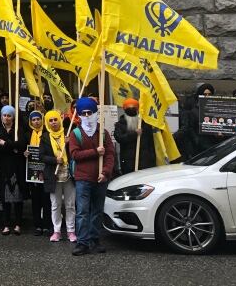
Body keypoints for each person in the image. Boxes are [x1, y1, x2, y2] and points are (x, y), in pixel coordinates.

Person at [69, 97, 115, 256]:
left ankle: (94, 239)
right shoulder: (76, 133)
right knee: (82, 212)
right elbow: (75, 154)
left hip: (100, 179)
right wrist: (95, 151)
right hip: (83, 179)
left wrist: (106, 172)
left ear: (95, 113)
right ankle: (82, 242)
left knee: (97, 211)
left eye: (90, 112)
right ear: (79, 115)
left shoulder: (103, 133)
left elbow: (110, 155)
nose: (87, 116)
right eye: (84, 113)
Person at [41, 110, 76, 243]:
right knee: (55, 205)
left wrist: (70, 142)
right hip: (53, 175)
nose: (54, 122)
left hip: (69, 174)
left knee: (70, 204)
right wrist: (55, 160)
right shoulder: (44, 137)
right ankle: (57, 231)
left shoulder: (68, 134)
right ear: (47, 123)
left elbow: (75, 152)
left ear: (59, 120)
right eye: (50, 120)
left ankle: (71, 231)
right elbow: (42, 156)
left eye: (55, 119)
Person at [0, 105, 26, 236]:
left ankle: (18, 224)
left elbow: (22, 145)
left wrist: (5, 144)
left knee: (18, 197)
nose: (6, 118)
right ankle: (6, 224)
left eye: (9, 115)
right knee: (5, 199)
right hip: (3, 168)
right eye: (4, 115)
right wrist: (13, 147)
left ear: (13, 117)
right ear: (1, 117)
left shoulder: (18, 130)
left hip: (17, 168)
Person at [26, 110, 52, 236]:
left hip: (45, 170)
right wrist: (24, 153)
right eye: (33, 120)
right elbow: (21, 147)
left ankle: (47, 225)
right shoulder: (27, 134)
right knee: (35, 199)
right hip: (32, 171)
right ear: (30, 122)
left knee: (46, 199)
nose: (36, 121)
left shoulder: (47, 134)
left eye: (38, 119)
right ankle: (38, 226)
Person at [114, 98, 155, 174]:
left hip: (144, 163)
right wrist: (134, 134)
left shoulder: (144, 124)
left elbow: (150, 143)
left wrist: (152, 161)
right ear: (124, 109)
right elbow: (119, 138)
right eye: (129, 108)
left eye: (134, 108)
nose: (131, 110)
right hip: (128, 163)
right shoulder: (120, 124)